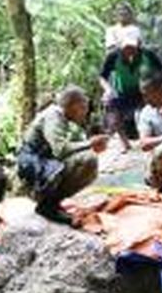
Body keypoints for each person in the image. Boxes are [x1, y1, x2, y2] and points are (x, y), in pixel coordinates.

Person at [17, 86, 109, 224]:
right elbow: (60, 149)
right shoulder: (53, 116)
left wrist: (91, 144)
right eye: (83, 108)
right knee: (88, 160)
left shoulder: (65, 120)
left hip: (45, 162)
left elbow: (73, 144)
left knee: (88, 160)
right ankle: (47, 205)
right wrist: (90, 144)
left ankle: (52, 203)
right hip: (34, 164)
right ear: (73, 105)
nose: (85, 113)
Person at [100, 35, 162, 151]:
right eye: (126, 48)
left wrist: (159, 88)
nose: (129, 51)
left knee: (154, 110)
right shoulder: (113, 56)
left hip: (144, 90)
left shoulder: (148, 54)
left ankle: (149, 138)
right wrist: (107, 90)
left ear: (138, 46)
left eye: (132, 48)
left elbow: (160, 72)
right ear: (120, 47)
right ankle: (125, 143)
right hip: (122, 91)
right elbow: (102, 77)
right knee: (113, 110)